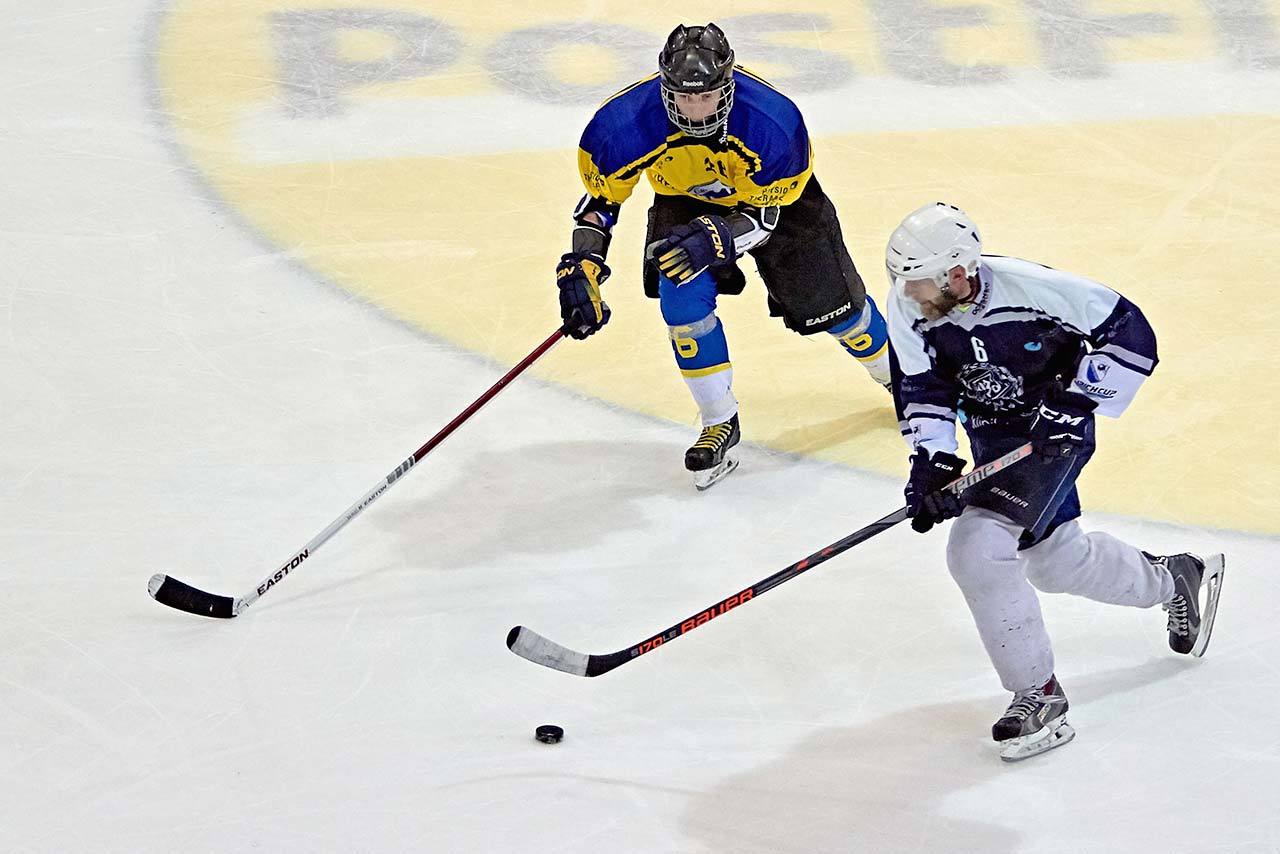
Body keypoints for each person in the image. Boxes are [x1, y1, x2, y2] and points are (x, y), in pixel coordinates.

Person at [883, 201, 1225, 762]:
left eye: (920, 281)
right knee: (1055, 562)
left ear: (958, 272)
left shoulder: (1037, 289)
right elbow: (922, 389)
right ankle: (1175, 580)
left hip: (1052, 436)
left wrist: (1074, 402)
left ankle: (1039, 698)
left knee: (977, 548)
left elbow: (1132, 336)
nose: (909, 293)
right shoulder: (909, 305)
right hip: (995, 440)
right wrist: (933, 464)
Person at [555, 22, 891, 490]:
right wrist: (582, 267)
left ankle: (900, 376)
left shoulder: (774, 124)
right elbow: (600, 203)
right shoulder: (620, 127)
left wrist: (717, 237)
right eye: (684, 97)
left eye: (706, 96)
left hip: (775, 206)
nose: (695, 109)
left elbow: (768, 216)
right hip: (684, 201)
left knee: (838, 314)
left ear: (727, 86)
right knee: (681, 300)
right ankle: (718, 419)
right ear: (665, 90)